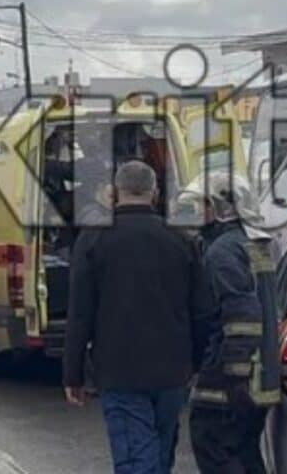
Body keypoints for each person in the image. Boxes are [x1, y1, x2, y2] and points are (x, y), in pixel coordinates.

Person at [63, 161, 215, 474]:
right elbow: (202, 311)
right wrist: (194, 362)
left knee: (137, 461)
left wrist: (73, 374)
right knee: (159, 455)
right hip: (172, 372)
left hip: (120, 371)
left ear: (115, 193)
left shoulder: (93, 240)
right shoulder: (181, 239)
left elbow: (80, 314)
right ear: (154, 193)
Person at [183, 172, 281, 474]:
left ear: (220, 207)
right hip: (262, 376)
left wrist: (234, 374)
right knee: (246, 454)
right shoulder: (254, 244)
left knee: (213, 446)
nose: (197, 212)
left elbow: (242, 316)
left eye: (203, 204)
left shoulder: (222, 251)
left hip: (233, 379)